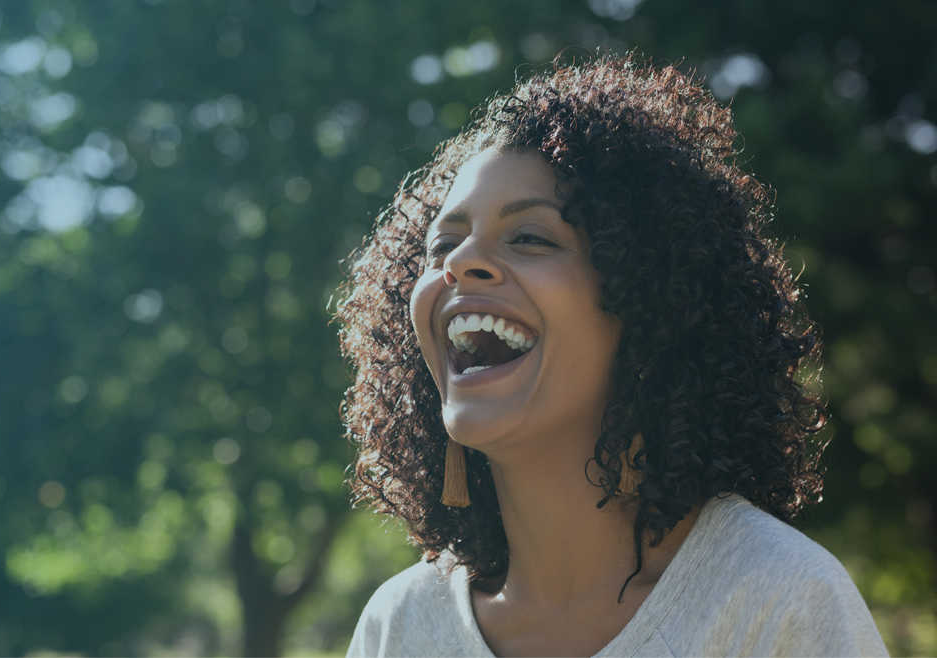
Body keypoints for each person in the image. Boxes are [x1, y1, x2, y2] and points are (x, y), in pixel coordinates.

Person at [330, 48, 889, 657]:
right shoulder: (401, 625)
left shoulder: (778, 600)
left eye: (530, 237)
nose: (461, 263)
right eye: (445, 244)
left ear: (648, 302)